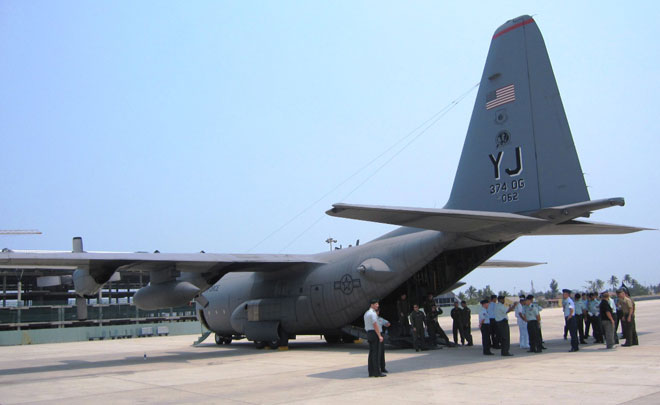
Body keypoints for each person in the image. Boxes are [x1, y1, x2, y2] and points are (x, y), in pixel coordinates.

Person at [364, 298, 385, 377]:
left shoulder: (366, 313)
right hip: (374, 333)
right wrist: (379, 335)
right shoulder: (373, 314)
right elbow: (375, 324)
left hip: (369, 333)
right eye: (376, 304)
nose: (377, 305)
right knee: (376, 353)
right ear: (372, 305)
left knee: (371, 353)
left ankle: (371, 372)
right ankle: (377, 372)